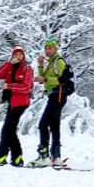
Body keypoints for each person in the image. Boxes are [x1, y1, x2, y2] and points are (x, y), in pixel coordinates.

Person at [33, 39, 73, 167]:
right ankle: (56, 156)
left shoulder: (59, 61)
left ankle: (44, 156)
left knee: (43, 124)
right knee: (54, 125)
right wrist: (40, 66)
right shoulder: (50, 62)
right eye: (46, 48)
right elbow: (42, 81)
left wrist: (45, 78)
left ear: (55, 49)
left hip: (58, 94)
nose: (47, 50)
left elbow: (61, 79)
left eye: (50, 48)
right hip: (53, 95)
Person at [0, 46, 34, 166]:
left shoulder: (27, 69)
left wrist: (9, 86)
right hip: (11, 102)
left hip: (20, 102)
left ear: (24, 56)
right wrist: (9, 64)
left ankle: (16, 157)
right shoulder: (10, 67)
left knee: (8, 130)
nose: (18, 56)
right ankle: (3, 157)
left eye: (20, 54)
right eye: (16, 54)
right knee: (7, 130)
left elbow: (26, 87)